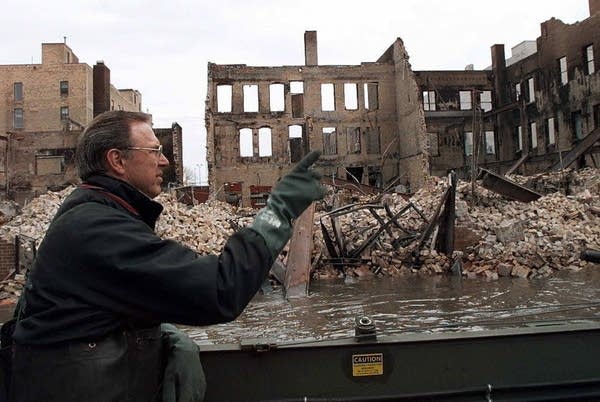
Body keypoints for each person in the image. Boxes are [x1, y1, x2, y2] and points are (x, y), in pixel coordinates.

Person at [9, 110, 324, 402]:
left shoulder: (96, 216)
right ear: (117, 160)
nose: (165, 162)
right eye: (155, 151)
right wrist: (277, 212)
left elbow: (103, 308)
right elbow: (219, 289)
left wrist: (165, 335)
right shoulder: (96, 229)